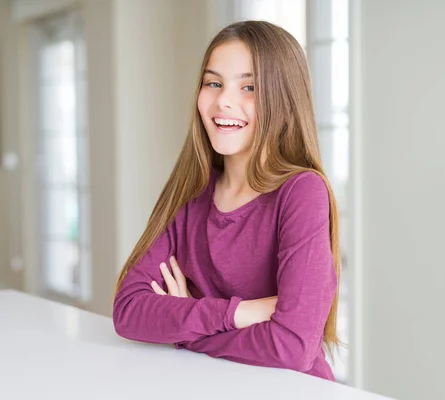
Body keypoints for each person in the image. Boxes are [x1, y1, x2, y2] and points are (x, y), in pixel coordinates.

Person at [112, 20, 341, 381]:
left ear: (283, 99)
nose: (224, 101)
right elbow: (128, 311)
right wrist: (238, 314)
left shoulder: (302, 191)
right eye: (213, 83)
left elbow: (292, 346)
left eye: (249, 87)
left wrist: (186, 328)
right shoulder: (190, 192)